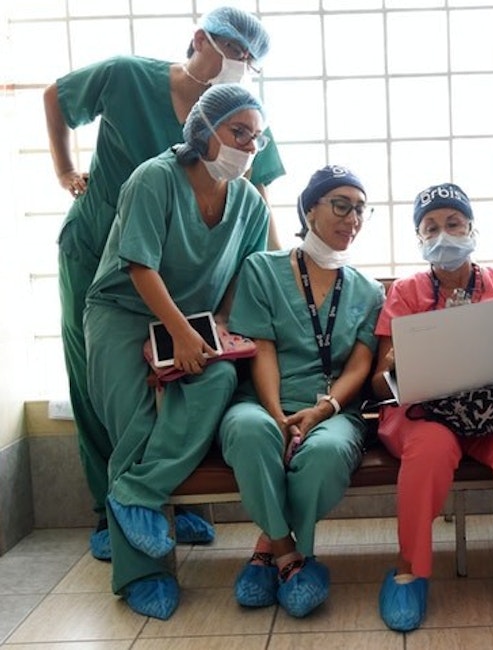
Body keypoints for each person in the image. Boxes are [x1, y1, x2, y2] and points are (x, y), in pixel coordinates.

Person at [43, 6, 286, 560]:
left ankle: (174, 500)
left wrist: (275, 282)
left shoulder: (242, 121)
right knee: (105, 389)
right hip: (101, 257)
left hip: (186, 280)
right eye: (236, 50)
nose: (242, 64)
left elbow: (256, 204)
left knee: (190, 385)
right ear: (200, 38)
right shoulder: (130, 79)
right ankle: (110, 510)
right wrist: (64, 172)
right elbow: (56, 97)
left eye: (251, 59)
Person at [83, 84, 272, 620]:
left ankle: (137, 493)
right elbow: (139, 266)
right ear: (202, 129)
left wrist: (222, 332)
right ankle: (141, 574)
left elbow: (240, 278)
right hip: (124, 312)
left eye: (256, 138)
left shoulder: (249, 204)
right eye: (239, 132)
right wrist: (180, 333)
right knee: (137, 423)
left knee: (217, 383)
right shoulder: (154, 179)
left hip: (198, 324)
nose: (249, 146)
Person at [369, 182, 493, 632]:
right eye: (430, 228)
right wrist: (397, 363)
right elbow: (380, 384)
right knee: (429, 451)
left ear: (472, 228)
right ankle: (410, 569)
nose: (443, 234)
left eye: (453, 223)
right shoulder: (405, 292)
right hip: (427, 413)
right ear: (419, 239)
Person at [217, 165, 385, 618]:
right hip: (264, 400)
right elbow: (262, 348)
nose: (353, 218)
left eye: (361, 210)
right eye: (341, 205)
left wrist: (324, 408)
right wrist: (276, 414)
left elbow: (360, 365)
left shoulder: (368, 291)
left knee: (326, 454)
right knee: (250, 432)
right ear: (309, 209)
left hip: (334, 409)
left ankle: (266, 549)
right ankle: (290, 556)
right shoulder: (262, 269)